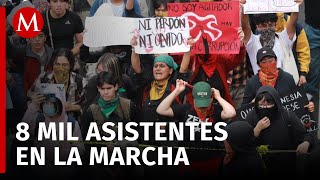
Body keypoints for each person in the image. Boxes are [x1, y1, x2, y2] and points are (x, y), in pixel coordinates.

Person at [156, 80, 236, 178]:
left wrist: (218, 97)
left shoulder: (217, 111)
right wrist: (177, 91)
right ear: (193, 99)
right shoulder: (186, 109)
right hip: (187, 160)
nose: (202, 107)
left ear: (212, 98)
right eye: (199, 102)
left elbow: (231, 113)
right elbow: (161, 110)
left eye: (206, 102)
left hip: (211, 160)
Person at [80, 71, 143, 179]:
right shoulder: (91, 111)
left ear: (116, 87)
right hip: (101, 164)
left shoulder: (128, 106)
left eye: (108, 88)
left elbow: (139, 132)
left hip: (126, 163)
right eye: (102, 89)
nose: (105, 92)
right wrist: (103, 146)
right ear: (98, 88)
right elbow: (86, 140)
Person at [245, 86, 315, 176]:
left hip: (287, 166)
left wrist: (306, 142)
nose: (265, 107)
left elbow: (307, 135)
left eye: (268, 104)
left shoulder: (287, 115)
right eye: (261, 105)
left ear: (276, 102)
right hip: (260, 167)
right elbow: (243, 142)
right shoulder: (251, 116)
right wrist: (256, 130)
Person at [20, 93, 85, 177]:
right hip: (41, 171)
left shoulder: (71, 123)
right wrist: (33, 106)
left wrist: (62, 153)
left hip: (65, 172)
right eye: (47, 104)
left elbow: (80, 149)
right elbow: (23, 129)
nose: (49, 107)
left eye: (52, 104)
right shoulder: (39, 120)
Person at [241, 47, 314, 113]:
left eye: (270, 60)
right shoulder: (252, 82)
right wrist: (253, 104)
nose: (268, 64)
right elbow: (244, 109)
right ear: (258, 64)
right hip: (264, 122)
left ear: (276, 60)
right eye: (263, 62)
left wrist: (308, 104)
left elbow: (297, 100)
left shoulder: (287, 78)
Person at [241, 0, 304, 75]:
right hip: (261, 85)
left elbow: (293, 22)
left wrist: (295, 6)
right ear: (257, 26)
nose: (268, 28)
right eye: (264, 25)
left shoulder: (284, 38)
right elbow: (245, 26)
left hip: (282, 85)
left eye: (270, 25)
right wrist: (244, 8)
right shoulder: (252, 43)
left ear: (275, 25)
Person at [27, 48, 87, 120]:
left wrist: (72, 107)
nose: (60, 68)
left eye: (64, 65)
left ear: (70, 65)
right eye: (57, 64)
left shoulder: (80, 81)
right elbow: (30, 96)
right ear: (52, 64)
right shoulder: (43, 78)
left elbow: (86, 105)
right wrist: (35, 100)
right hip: (47, 116)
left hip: (70, 118)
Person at [24, 27, 54, 95]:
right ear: (29, 38)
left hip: (50, 92)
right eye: (33, 36)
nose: (37, 39)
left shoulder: (53, 54)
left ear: (45, 38)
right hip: (30, 94)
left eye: (40, 36)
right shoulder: (23, 54)